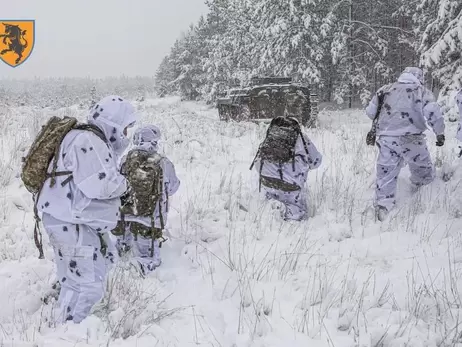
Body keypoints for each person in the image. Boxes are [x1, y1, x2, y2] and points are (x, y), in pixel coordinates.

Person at [37, 95, 139, 324]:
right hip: (71, 223)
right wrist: (125, 185)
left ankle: (63, 318)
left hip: (71, 221)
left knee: (85, 274)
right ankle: (70, 331)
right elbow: (100, 184)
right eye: (124, 129)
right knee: (87, 286)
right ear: (112, 122)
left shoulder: (82, 137)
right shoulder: (88, 140)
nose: (125, 136)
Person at [365, 67, 445, 221]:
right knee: (423, 170)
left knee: (385, 174)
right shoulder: (421, 91)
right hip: (412, 139)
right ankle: (421, 197)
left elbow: (370, 112)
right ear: (419, 77)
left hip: (387, 139)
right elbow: (433, 113)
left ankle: (383, 207)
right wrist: (439, 133)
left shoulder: (385, 90)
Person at [114, 125, 180, 276]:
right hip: (150, 218)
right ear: (154, 142)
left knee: (121, 251)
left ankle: (121, 277)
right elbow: (173, 187)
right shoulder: (163, 162)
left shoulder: (125, 160)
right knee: (147, 256)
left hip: (125, 215)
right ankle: (148, 280)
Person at [250, 116, 322, 221]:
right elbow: (316, 161)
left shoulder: (272, 135)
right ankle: (293, 220)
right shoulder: (301, 138)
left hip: (266, 180)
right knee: (295, 217)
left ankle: (271, 212)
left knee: (270, 206)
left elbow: (257, 162)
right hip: (290, 185)